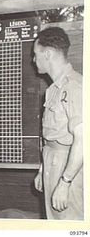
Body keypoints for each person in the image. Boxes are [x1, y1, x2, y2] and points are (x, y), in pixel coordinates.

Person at [33, 27, 83, 220]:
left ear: (48, 54)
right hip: (52, 163)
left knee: (70, 224)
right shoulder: (53, 90)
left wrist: (65, 181)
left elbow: (83, 139)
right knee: (54, 223)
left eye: (36, 55)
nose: (34, 60)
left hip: (70, 167)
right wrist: (42, 169)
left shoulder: (75, 86)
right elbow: (51, 136)